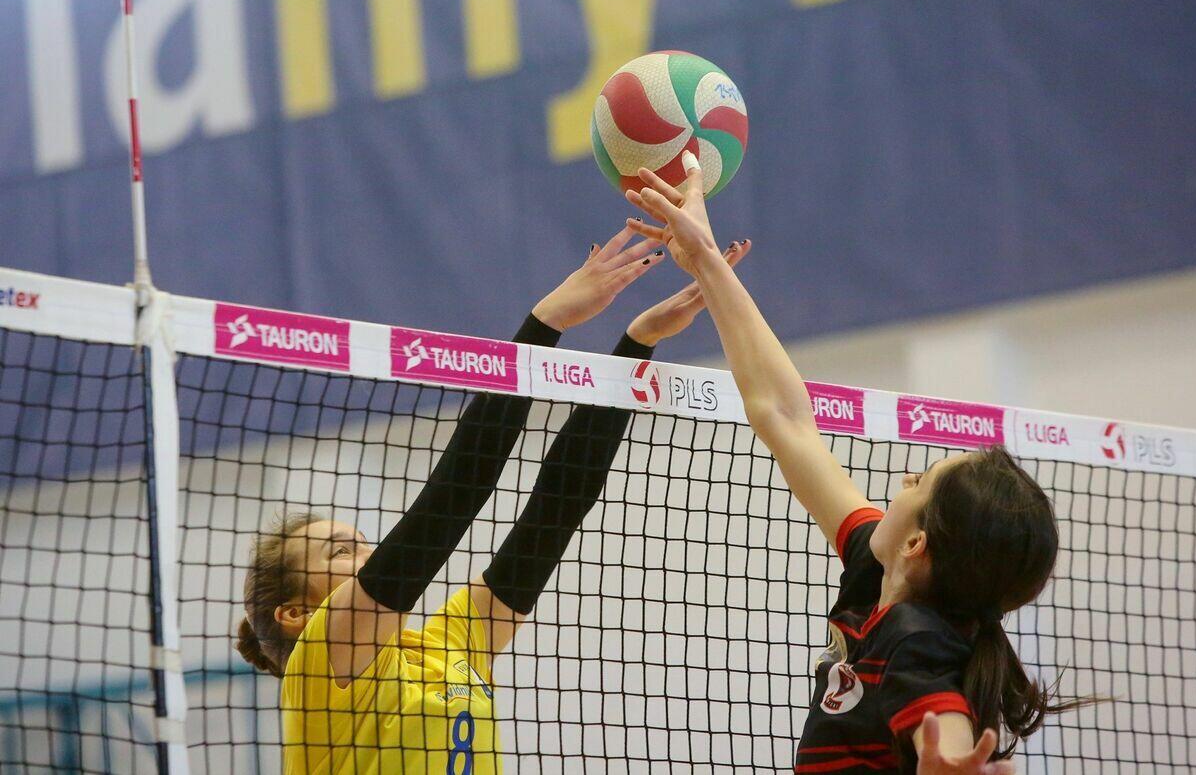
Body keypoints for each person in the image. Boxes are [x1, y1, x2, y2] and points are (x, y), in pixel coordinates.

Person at [624, 153, 1083, 774]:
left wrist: (949, 765)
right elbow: (784, 415)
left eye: (921, 481)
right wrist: (705, 258)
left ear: (917, 543)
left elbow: (945, 730)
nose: (905, 478)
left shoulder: (918, 640)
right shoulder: (876, 567)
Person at [234, 225, 749, 774]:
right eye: (340, 552)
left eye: (361, 542)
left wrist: (635, 348)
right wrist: (544, 325)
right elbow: (451, 499)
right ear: (295, 614)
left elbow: (555, 512)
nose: (369, 553)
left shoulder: (448, 643)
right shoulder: (319, 666)